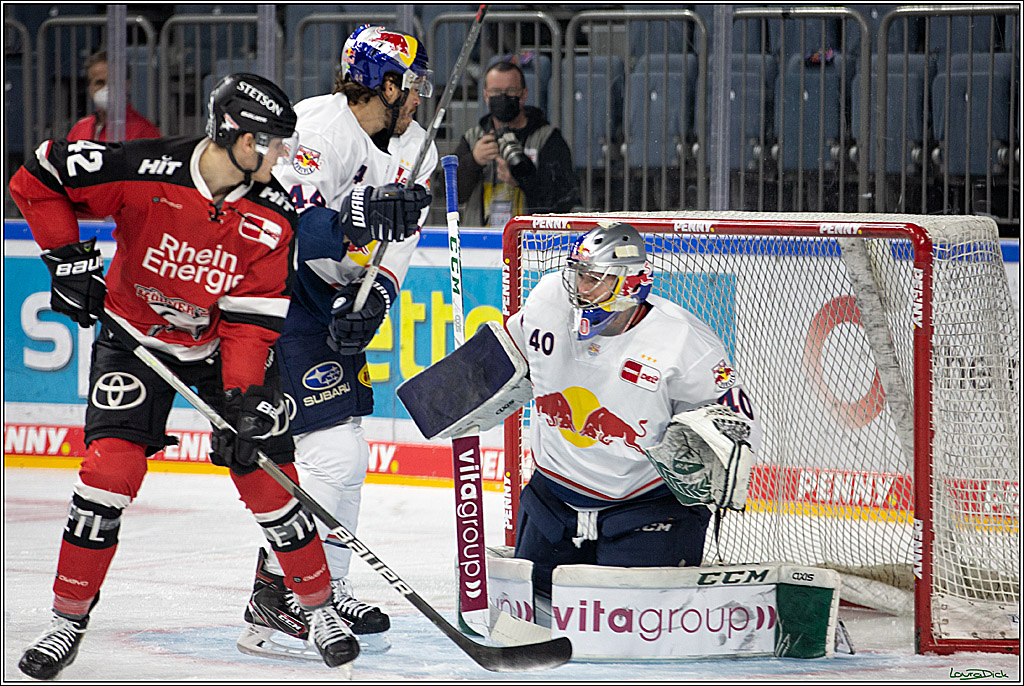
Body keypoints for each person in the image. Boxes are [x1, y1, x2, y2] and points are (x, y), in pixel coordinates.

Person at [10, 73, 361, 679]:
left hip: (220, 346)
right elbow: (36, 176)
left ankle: (318, 607)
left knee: (268, 478)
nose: (282, 157)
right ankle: (67, 617)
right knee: (108, 473)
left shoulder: (272, 215)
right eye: (274, 143)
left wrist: (248, 399)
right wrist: (65, 259)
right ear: (238, 137)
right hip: (134, 341)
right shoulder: (143, 167)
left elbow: (251, 321)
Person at [235, 25, 435, 661]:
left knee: (349, 447)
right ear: (386, 82)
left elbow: (402, 240)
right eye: (413, 85)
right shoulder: (316, 126)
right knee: (329, 456)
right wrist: (367, 213)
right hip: (285, 292)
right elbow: (297, 227)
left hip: (340, 296)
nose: (420, 99)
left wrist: (376, 298)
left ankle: (328, 584)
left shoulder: (418, 147)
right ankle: (282, 594)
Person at [503, 222, 763, 621]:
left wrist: (713, 456)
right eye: (579, 274)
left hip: (643, 511)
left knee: (632, 628)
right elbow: (509, 356)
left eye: (595, 279)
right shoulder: (547, 301)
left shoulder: (683, 342)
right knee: (530, 621)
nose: (580, 288)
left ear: (629, 283)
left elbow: (737, 425)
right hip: (551, 503)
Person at [454, 60, 579, 228]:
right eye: (496, 92)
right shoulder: (472, 138)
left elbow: (563, 200)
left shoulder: (547, 138)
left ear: (524, 94)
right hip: (480, 243)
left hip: (532, 242)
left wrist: (523, 179)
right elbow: (450, 194)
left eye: (511, 91)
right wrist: (473, 161)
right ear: (486, 95)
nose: (503, 97)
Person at [66, 50, 161, 142]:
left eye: (114, 82)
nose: (107, 88)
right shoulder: (79, 129)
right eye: (99, 83)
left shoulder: (145, 132)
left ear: (126, 85)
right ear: (90, 88)